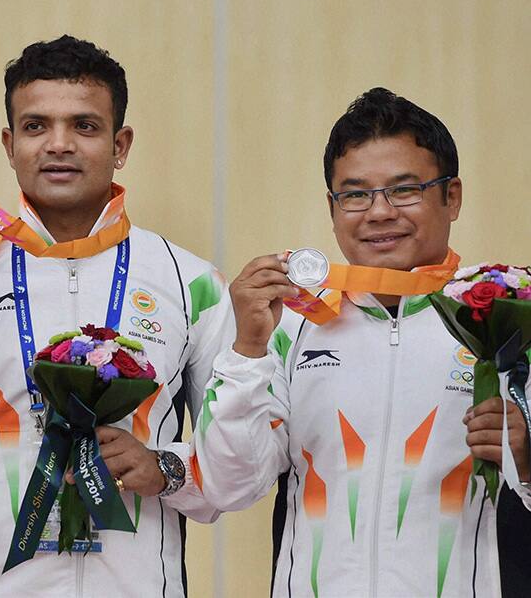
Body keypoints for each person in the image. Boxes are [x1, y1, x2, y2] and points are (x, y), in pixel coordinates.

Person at [0, 35, 234, 597]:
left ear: (121, 144)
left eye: (84, 126)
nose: (58, 145)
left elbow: (238, 469)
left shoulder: (190, 283)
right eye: (36, 126)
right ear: (10, 143)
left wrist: (167, 467)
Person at [193, 87, 531, 597]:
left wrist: (526, 457)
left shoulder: (508, 316)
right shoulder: (290, 325)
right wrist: (247, 350)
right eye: (355, 194)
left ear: (452, 196)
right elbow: (227, 487)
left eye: (405, 190)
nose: (378, 212)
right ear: (332, 207)